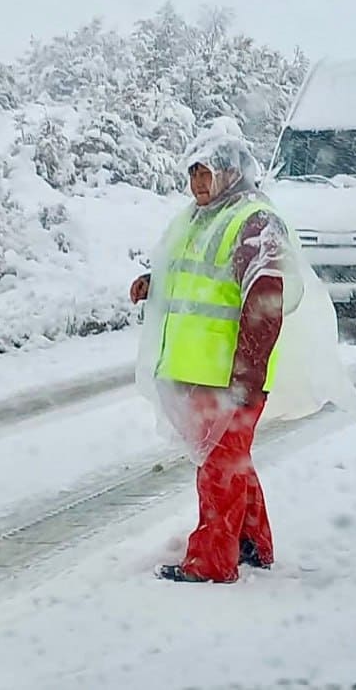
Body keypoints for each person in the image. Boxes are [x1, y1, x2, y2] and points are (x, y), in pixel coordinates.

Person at [130, 120, 295, 583]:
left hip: (231, 374)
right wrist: (153, 283)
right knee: (228, 460)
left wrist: (248, 373)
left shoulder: (254, 222)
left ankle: (211, 563)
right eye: (193, 173)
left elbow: (265, 300)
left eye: (207, 172)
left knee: (218, 469)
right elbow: (194, 274)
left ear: (231, 172)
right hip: (198, 371)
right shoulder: (197, 217)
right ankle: (252, 543)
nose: (198, 183)